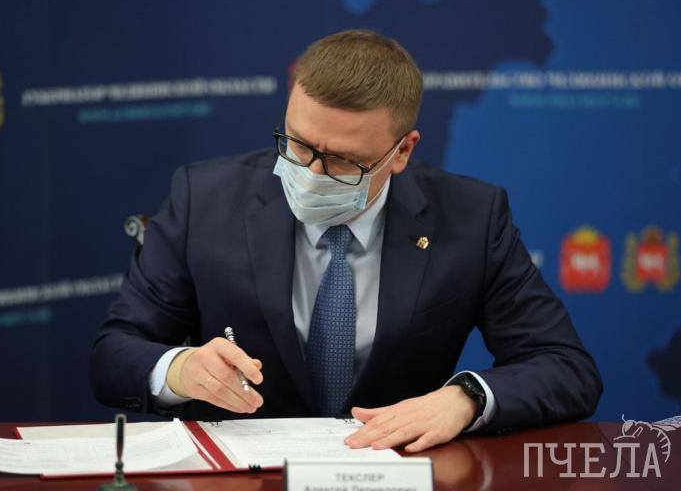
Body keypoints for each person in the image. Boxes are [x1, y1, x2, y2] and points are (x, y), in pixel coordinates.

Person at [90, 29, 602, 452]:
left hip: (397, 470)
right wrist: (180, 370)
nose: (311, 174)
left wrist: (465, 397)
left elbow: (566, 367)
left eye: (342, 161)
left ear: (402, 152)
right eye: (297, 145)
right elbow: (113, 355)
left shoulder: (471, 217)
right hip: (245, 476)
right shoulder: (204, 198)